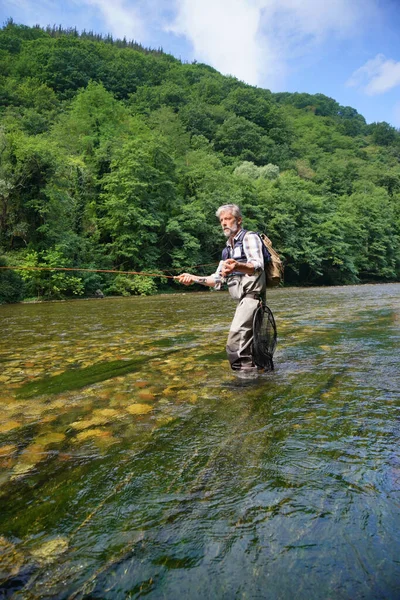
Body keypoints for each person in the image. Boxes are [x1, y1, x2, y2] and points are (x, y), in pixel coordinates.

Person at [176, 204, 266, 375]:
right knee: (249, 346)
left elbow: (257, 265)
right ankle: (255, 381)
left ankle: (245, 383)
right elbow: (217, 280)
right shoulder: (227, 250)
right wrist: (193, 278)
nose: (224, 223)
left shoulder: (250, 237)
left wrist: (237, 266)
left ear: (239, 220)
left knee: (235, 343)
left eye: (228, 219)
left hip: (253, 298)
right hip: (243, 302)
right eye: (221, 220)